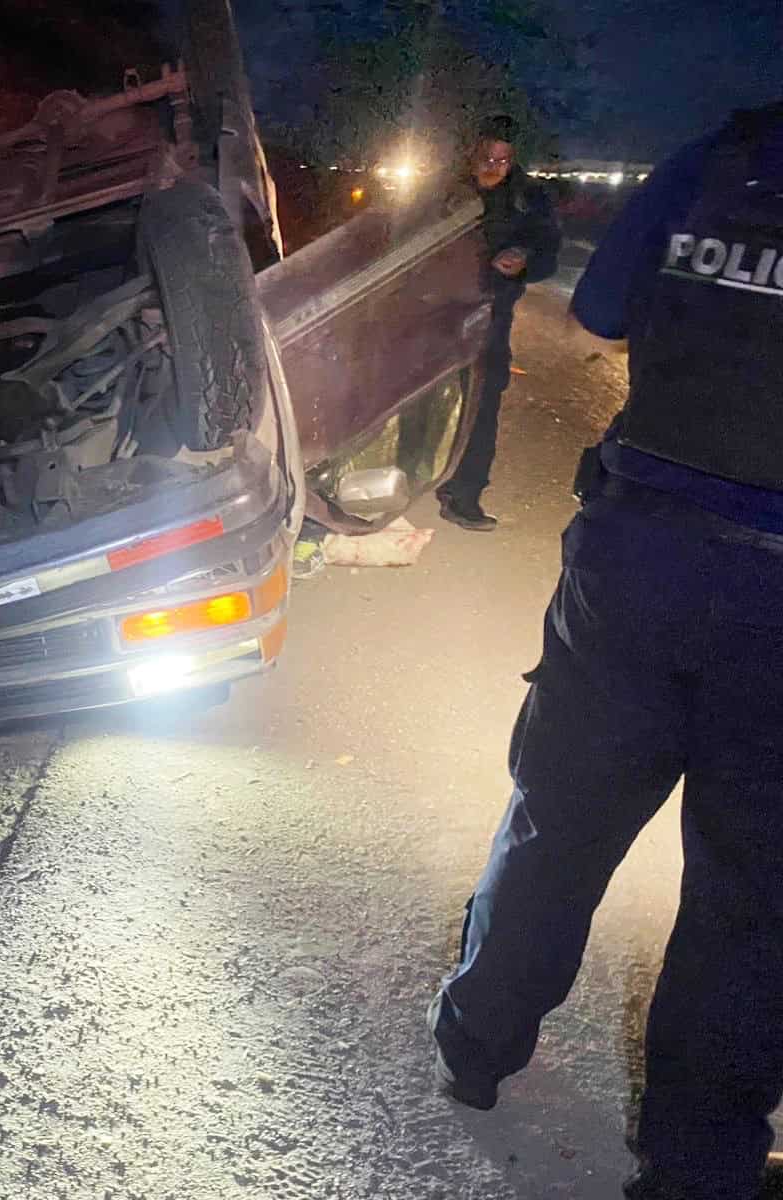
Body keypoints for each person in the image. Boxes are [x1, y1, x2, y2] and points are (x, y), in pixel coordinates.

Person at [429, 101, 783, 1200]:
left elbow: (600, 307)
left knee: (560, 817)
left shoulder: (721, 154)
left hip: (640, 554)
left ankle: (476, 1044)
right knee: (752, 899)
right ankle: (697, 1168)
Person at [436, 116, 562, 531]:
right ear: (473, 152)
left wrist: (524, 259)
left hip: (491, 318)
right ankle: (412, 478)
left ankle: (464, 495)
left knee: (482, 405)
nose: (493, 167)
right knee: (422, 402)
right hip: (434, 315)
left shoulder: (529, 200)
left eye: (503, 161)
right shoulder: (445, 191)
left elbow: (548, 252)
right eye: (487, 158)